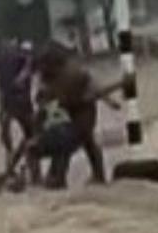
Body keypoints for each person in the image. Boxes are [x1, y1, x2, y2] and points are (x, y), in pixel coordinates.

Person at [34, 47, 123, 188]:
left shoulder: (74, 73)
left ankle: (63, 177)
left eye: (45, 66)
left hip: (83, 111)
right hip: (65, 109)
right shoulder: (46, 78)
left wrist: (109, 100)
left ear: (54, 65)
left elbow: (95, 87)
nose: (41, 70)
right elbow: (43, 100)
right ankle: (54, 176)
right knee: (62, 138)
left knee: (81, 138)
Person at [0, 38, 35, 164]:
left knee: (30, 135)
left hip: (18, 104)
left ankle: (15, 160)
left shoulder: (19, 62)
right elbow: (4, 87)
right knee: (28, 135)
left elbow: (3, 87)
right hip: (16, 104)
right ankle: (14, 159)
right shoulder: (8, 64)